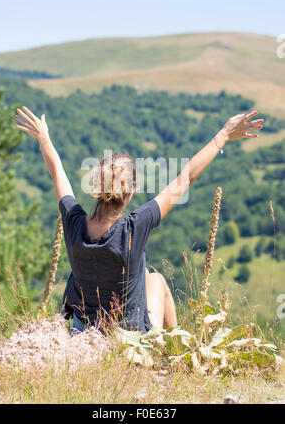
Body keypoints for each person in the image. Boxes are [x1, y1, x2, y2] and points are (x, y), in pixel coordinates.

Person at [15, 106, 263, 333]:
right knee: (155, 280)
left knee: (143, 276)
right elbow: (184, 179)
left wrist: (43, 137)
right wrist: (223, 136)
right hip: (128, 339)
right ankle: (172, 351)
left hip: (83, 334)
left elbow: (57, 172)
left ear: (97, 188)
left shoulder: (73, 222)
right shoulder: (134, 227)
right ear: (131, 190)